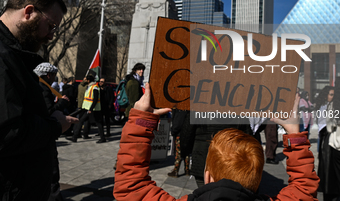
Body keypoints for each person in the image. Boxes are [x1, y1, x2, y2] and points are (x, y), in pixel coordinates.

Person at [113, 84, 319, 201]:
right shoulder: (239, 106)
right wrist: (294, 133)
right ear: (257, 180)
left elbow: (131, 186)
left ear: (208, 174)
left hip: (203, 154)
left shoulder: (200, 103)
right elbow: (304, 188)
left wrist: (141, 122)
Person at [0, 0, 78, 200]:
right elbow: (7, 133)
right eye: (51, 25)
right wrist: (55, 126)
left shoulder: (15, 55)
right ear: (29, 12)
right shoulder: (4, 56)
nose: (52, 34)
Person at [33, 62, 71, 201]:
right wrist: (62, 103)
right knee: (51, 171)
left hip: (36, 134)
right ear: (48, 75)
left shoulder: (34, 84)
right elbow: (48, 111)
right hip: (45, 134)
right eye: (54, 75)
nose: (55, 78)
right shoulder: (43, 88)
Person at [68, 74, 106, 143]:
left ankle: (102, 138)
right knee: (82, 121)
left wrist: (91, 109)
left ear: (89, 80)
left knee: (98, 123)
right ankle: (75, 137)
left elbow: (95, 99)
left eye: (86, 79)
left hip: (93, 109)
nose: (85, 81)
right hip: (87, 108)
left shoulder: (94, 87)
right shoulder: (90, 86)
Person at [318, 80, 340, 201]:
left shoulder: (334, 105)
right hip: (331, 142)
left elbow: (329, 126)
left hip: (334, 143)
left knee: (331, 174)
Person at [167, 109, 195, 178]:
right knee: (187, 151)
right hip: (188, 132)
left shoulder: (180, 108)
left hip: (180, 133)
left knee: (178, 152)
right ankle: (187, 169)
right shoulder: (188, 109)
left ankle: (176, 171)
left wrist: (173, 130)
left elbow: (178, 122)